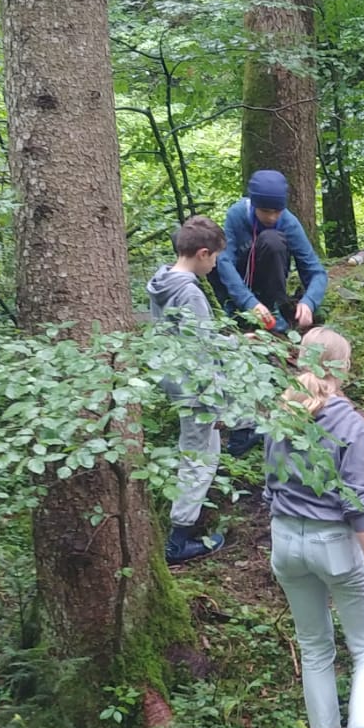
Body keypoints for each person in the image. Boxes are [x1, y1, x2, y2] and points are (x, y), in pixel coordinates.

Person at [264, 328, 364, 728]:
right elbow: (357, 500)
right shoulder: (349, 423)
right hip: (334, 543)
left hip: (286, 539)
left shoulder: (281, 413)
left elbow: (269, 484)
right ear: (344, 368)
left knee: (314, 643)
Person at [146, 215, 228, 565]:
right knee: (197, 459)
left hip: (177, 381)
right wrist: (218, 403)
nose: (216, 265)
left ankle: (186, 528)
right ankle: (177, 543)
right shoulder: (190, 292)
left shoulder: (162, 282)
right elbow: (202, 352)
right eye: (216, 258)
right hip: (196, 391)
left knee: (206, 450)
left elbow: (185, 337)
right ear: (203, 253)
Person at [213, 169, 327, 336]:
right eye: (266, 211)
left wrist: (309, 302)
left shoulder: (289, 223)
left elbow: (316, 271)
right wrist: (249, 302)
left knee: (272, 240)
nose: (272, 217)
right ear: (254, 205)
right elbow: (225, 262)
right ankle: (231, 311)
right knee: (209, 251)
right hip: (239, 281)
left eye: (277, 211)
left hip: (268, 282)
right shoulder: (236, 215)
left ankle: (274, 311)